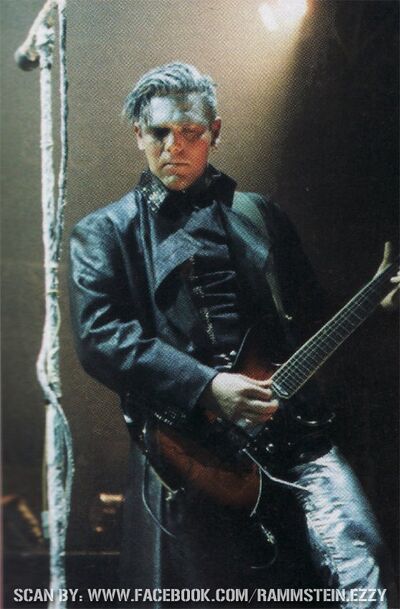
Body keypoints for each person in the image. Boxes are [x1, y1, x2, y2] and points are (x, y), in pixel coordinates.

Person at [69, 63, 398, 608]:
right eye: (159, 132)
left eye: (191, 132)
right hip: (192, 454)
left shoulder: (259, 215)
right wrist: (206, 386)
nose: (174, 146)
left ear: (215, 132)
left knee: (364, 576)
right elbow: (100, 337)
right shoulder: (105, 233)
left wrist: (376, 311)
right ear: (138, 135)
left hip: (293, 434)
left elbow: (311, 321)